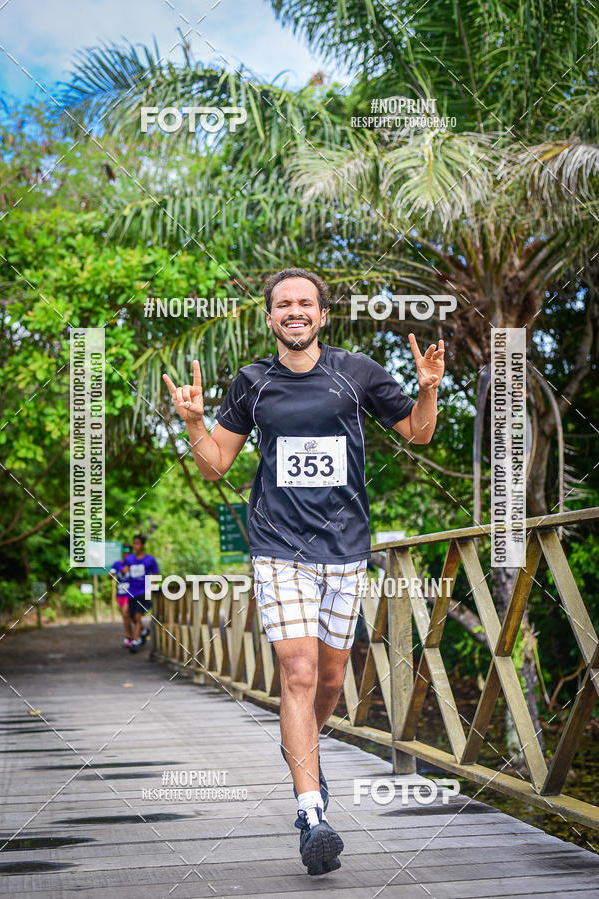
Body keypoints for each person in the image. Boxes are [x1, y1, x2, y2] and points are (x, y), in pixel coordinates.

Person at [163, 268, 444, 876]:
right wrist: (192, 423)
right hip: (278, 546)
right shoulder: (253, 383)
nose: (295, 311)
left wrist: (427, 389)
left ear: (321, 315)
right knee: (297, 669)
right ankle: (311, 810)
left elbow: (420, 433)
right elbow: (215, 466)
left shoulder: (358, 372)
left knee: (330, 679)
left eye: (305, 303)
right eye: (283, 304)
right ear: (270, 319)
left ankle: (302, 758)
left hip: (345, 548)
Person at [124, 535, 159, 654]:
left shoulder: (150, 560)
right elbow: (124, 572)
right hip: (131, 592)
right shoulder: (129, 559)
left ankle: (135, 641)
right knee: (132, 617)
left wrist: (150, 588)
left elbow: (155, 573)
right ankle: (143, 632)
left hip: (143, 592)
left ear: (143, 545)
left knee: (138, 616)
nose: (136, 546)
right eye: (134, 544)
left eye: (138, 543)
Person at [109, 543, 133, 648]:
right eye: (124, 552)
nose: (125, 554)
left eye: (128, 552)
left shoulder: (133, 564)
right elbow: (110, 576)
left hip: (131, 593)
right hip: (120, 594)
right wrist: (112, 574)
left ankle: (131, 636)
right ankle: (130, 636)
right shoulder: (117, 564)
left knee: (126, 613)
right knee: (125, 616)